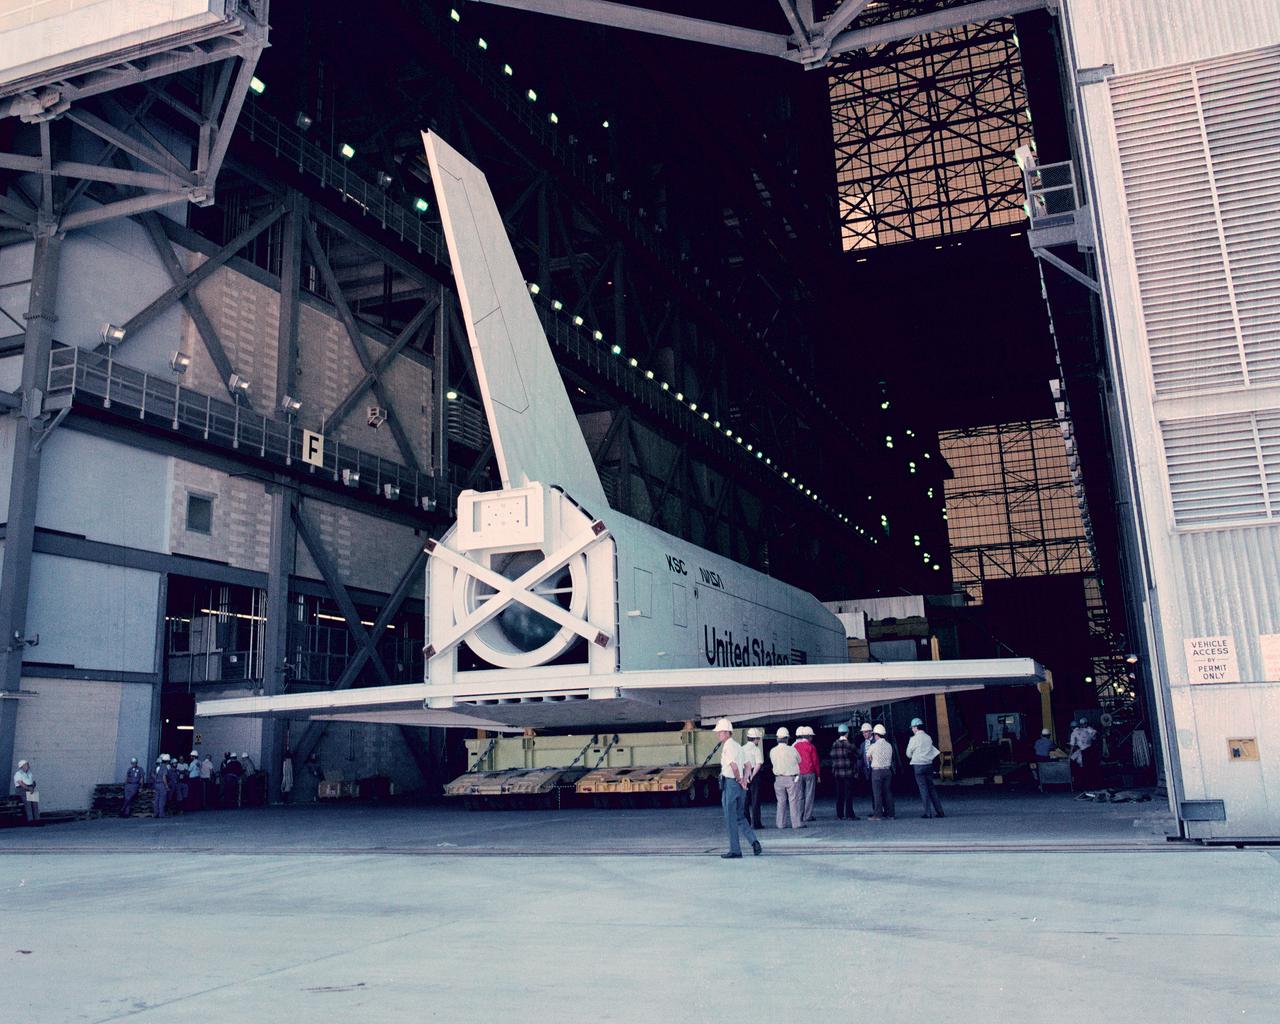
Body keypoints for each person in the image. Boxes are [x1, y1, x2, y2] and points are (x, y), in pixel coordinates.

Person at [714, 718, 761, 859]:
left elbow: (734, 767)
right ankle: (754, 842)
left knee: (730, 818)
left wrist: (739, 779)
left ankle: (735, 850)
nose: (717, 734)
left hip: (731, 783)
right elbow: (748, 765)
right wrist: (745, 780)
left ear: (726, 732)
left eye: (719, 732)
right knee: (740, 816)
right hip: (740, 787)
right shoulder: (738, 747)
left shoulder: (727, 747)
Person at [905, 717, 945, 819]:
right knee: (931, 788)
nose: (912, 729)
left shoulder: (913, 739)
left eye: (912, 727)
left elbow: (908, 754)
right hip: (928, 765)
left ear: (916, 727)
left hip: (918, 766)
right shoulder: (928, 737)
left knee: (923, 789)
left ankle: (928, 813)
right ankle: (940, 811)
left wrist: (915, 754)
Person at [770, 727, 803, 829]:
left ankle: (780, 824)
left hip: (778, 779)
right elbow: (800, 760)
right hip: (791, 779)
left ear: (777, 738)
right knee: (793, 801)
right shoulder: (792, 749)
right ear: (786, 739)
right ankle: (796, 824)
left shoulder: (772, 751)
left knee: (781, 802)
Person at [866, 724, 897, 820]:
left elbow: (868, 757)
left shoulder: (873, 746)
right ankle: (891, 814)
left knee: (877, 794)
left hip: (877, 772)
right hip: (887, 771)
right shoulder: (889, 745)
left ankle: (878, 815)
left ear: (876, 735)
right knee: (888, 792)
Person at [830, 725, 858, 820]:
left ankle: (839, 814)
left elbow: (832, 756)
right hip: (848, 773)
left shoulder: (834, 744)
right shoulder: (850, 745)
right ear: (847, 733)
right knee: (848, 794)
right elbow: (858, 755)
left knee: (839, 794)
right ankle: (849, 814)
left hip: (837, 774)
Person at [794, 725, 820, 823]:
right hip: (810, 773)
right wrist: (818, 775)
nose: (812, 738)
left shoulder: (795, 746)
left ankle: (799, 815)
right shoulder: (811, 747)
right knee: (809, 795)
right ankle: (807, 816)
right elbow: (815, 762)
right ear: (809, 736)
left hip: (799, 773)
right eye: (811, 736)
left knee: (800, 795)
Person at [741, 728, 765, 829]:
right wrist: (752, 775)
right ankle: (756, 823)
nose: (758, 741)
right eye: (758, 739)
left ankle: (746, 823)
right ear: (755, 739)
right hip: (754, 775)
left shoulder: (742, 748)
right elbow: (758, 764)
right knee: (755, 800)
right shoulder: (756, 749)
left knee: (745, 800)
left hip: (744, 773)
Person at [13, 758, 39, 824]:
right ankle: (30, 820)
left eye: (27, 764)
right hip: (21, 789)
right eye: (26, 764)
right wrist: (28, 788)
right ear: (22, 766)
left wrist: (32, 786)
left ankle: (37, 819)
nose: (28, 765)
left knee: (35, 804)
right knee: (28, 804)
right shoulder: (18, 773)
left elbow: (32, 781)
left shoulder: (29, 773)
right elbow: (20, 783)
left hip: (30, 788)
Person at [153, 754, 171, 819]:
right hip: (162, 785)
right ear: (167, 761)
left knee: (157, 799)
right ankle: (161, 814)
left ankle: (156, 813)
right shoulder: (165, 767)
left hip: (157, 784)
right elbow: (164, 777)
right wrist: (166, 786)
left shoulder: (159, 767)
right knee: (162, 800)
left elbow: (155, 775)